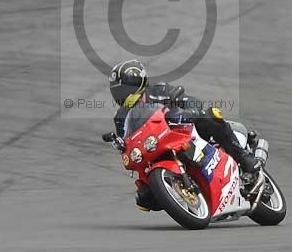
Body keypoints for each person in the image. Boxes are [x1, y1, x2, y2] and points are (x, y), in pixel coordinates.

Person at [109, 59, 260, 175]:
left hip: (185, 131)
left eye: (123, 90)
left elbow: (191, 101)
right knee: (144, 198)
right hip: (156, 148)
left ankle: (243, 158)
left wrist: (191, 113)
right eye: (117, 92)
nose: (121, 96)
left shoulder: (159, 90)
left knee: (209, 115)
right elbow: (128, 144)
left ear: (137, 84)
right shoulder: (120, 117)